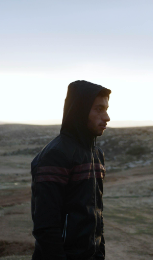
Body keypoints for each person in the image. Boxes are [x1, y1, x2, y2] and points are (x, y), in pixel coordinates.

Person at [30, 80, 111, 260]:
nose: (106, 117)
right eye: (98, 109)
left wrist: (100, 252)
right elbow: (46, 226)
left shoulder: (96, 154)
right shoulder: (56, 155)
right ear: (80, 111)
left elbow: (96, 213)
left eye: (106, 109)